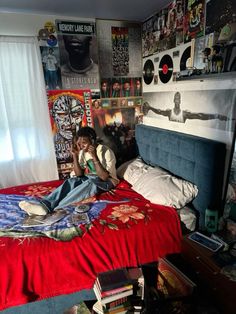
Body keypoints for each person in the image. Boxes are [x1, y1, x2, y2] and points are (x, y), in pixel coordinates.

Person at [19, 127, 119, 216]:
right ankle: (45, 205)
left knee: (90, 183)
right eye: (79, 143)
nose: (81, 146)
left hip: (107, 181)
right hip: (91, 177)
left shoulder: (106, 151)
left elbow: (104, 177)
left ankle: (56, 208)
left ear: (93, 141)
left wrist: (94, 156)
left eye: (84, 143)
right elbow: (79, 174)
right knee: (71, 181)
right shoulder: (82, 151)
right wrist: (75, 155)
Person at [142, 91, 229, 123]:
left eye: (178, 98)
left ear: (180, 101)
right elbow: (159, 111)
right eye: (175, 98)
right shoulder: (169, 112)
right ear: (173, 100)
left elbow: (200, 116)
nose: (177, 100)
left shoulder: (184, 114)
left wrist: (216, 116)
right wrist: (149, 107)